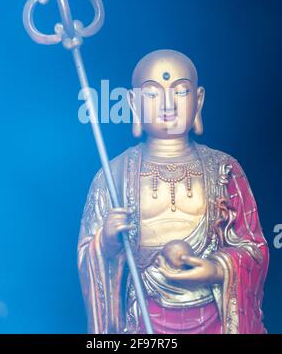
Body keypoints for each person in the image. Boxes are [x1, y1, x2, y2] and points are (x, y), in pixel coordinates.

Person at [78, 49, 268, 334]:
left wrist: (216, 270)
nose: (168, 104)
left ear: (199, 99)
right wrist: (105, 242)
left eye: (180, 92)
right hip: (144, 320)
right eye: (152, 94)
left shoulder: (225, 169)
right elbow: (86, 254)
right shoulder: (113, 176)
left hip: (215, 320)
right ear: (133, 103)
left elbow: (254, 248)